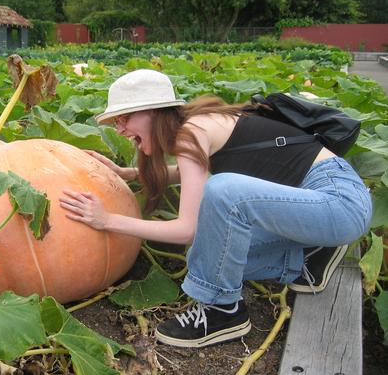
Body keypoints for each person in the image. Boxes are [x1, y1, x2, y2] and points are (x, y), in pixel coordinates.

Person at [59, 69, 372, 348]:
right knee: (215, 255)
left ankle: (223, 311)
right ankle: (308, 257)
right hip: (318, 212)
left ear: (152, 112)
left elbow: (186, 229)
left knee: (221, 193)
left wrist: (108, 220)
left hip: (339, 201)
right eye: (117, 121)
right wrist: (131, 174)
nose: (121, 128)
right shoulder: (195, 127)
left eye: (124, 118)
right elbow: (188, 172)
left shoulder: (190, 132)